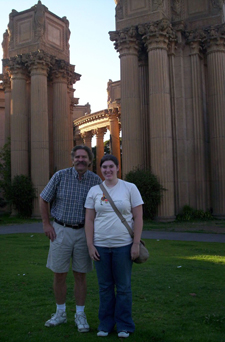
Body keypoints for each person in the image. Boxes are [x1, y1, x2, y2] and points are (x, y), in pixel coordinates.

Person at [39, 145, 102, 332]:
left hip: (84, 232)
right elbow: (43, 199)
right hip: (61, 230)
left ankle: (80, 315)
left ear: (89, 160)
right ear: (73, 159)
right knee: (59, 274)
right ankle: (60, 313)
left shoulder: (95, 180)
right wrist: (46, 224)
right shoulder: (60, 176)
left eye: (84, 157)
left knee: (80, 275)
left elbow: (102, 206)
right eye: (77, 157)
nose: (80, 160)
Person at [84, 155, 144, 338]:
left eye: (111, 166)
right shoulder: (94, 191)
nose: (107, 170)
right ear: (100, 169)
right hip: (100, 246)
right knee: (105, 287)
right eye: (104, 167)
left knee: (124, 287)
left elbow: (138, 217)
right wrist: (90, 245)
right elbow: (89, 219)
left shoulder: (130, 188)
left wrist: (135, 244)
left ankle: (125, 325)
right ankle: (106, 324)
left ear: (118, 168)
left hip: (123, 246)